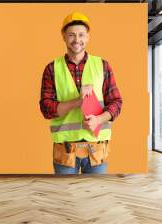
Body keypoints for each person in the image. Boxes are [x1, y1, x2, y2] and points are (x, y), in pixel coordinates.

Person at [39, 12, 123, 174]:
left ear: (88, 37)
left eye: (81, 35)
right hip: (65, 150)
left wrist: (98, 119)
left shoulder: (102, 65)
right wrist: (78, 101)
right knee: (66, 198)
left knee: (95, 197)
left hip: (96, 147)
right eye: (71, 35)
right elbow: (46, 109)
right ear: (63, 36)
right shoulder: (52, 68)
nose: (77, 40)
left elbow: (116, 103)